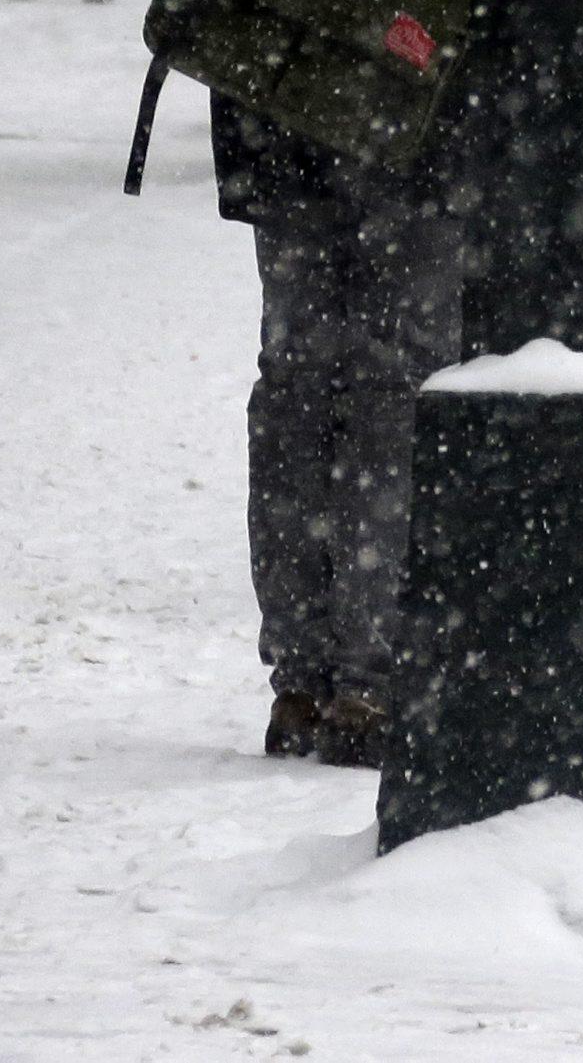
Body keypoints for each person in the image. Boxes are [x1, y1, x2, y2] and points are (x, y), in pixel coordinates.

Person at [213, 83, 461, 768]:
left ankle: (300, 681)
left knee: (295, 397)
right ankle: (367, 684)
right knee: (394, 402)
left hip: (284, 122)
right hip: (415, 124)